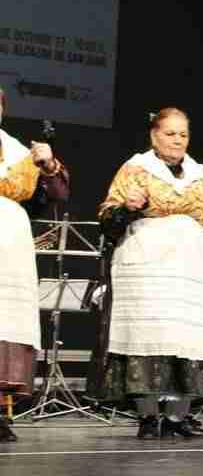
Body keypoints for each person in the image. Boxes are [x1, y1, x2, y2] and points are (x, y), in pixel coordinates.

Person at [88, 107, 203, 440]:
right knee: (148, 335)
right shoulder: (135, 168)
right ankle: (147, 417)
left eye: (183, 134)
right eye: (170, 133)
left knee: (186, 338)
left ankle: (176, 417)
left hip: (190, 267)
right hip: (147, 263)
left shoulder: (201, 173)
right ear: (154, 136)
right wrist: (127, 207)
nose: (177, 140)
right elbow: (107, 219)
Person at [0, 87, 70, 443]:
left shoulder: (19, 152)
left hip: (11, 246)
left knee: (6, 325)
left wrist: (49, 166)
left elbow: (57, 195)